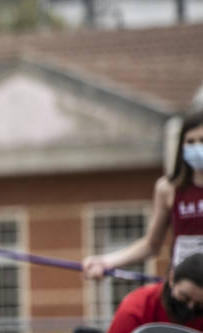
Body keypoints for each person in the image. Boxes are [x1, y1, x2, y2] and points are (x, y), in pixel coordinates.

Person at [83, 108, 203, 278]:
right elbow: (151, 245)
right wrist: (106, 261)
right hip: (182, 288)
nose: (197, 147)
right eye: (190, 142)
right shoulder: (168, 188)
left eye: (202, 140)